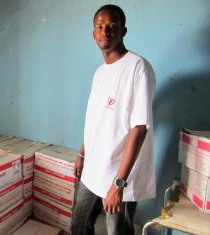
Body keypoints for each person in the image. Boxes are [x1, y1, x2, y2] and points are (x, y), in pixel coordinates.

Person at [71, 4, 156, 235]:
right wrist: (82, 153)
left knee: (118, 232)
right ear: (94, 33)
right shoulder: (100, 73)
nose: (105, 31)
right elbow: (99, 122)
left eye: (112, 26)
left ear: (123, 31)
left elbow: (139, 128)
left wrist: (119, 184)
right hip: (93, 168)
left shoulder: (138, 68)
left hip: (120, 174)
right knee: (79, 226)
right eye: (100, 27)